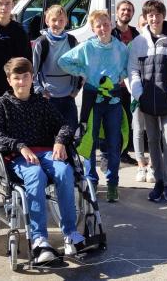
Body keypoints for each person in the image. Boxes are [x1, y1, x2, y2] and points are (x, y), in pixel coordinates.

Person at [0, 57, 84, 263]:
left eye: (26, 77)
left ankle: (70, 234)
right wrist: (19, 146)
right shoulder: (2, 105)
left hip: (46, 152)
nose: (22, 82)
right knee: (36, 175)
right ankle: (39, 240)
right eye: (17, 78)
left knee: (65, 171)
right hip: (17, 157)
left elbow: (64, 125)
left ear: (32, 78)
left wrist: (60, 141)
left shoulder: (41, 103)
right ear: (9, 80)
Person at [59, 10, 129, 202]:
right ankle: (91, 181)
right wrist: (83, 71)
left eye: (105, 24)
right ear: (92, 28)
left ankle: (113, 182)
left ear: (111, 25)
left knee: (114, 142)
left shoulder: (120, 47)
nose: (103, 28)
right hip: (92, 97)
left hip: (113, 98)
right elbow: (63, 60)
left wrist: (121, 76)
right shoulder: (87, 47)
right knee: (89, 140)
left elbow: (128, 66)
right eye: (98, 25)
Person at [128, 0, 167, 206]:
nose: (154, 19)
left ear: (163, 15)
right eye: (150, 15)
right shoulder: (138, 42)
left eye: (157, 14)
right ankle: (159, 182)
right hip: (147, 102)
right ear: (146, 17)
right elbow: (133, 70)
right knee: (152, 142)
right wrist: (139, 93)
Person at [32, 5, 81, 130]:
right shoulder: (41, 42)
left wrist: (76, 89)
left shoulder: (72, 41)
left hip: (68, 97)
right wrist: (41, 91)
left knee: (70, 134)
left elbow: (80, 67)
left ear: (66, 22)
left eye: (61, 20)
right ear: (47, 21)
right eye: (54, 20)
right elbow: (32, 71)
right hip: (48, 97)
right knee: (49, 136)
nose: (57, 24)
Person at [110, 0, 139, 166]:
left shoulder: (135, 33)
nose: (126, 13)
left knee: (127, 121)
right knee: (113, 121)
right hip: (114, 85)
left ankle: (124, 153)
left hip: (130, 85)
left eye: (129, 10)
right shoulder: (111, 31)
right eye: (123, 10)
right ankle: (112, 153)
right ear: (117, 12)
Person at [131, 13, 154, 183]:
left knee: (154, 132)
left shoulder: (157, 43)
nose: (146, 26)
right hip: (138, 95)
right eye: (143, 24)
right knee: (138, 130)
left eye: (148, 23)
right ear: (138, 26)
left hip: (154, 95)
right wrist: (136, 92)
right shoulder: (134, 44)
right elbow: (129, 71)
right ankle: (140, 164)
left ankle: (152, 165)